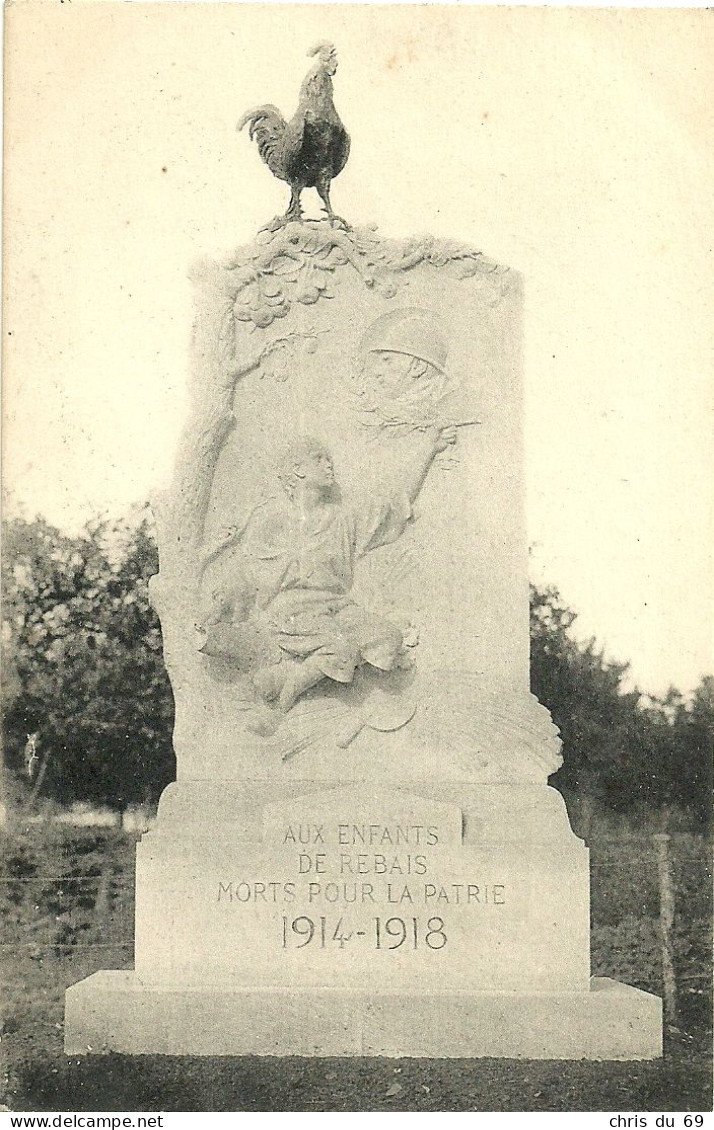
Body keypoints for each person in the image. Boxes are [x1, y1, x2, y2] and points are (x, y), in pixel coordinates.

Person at [240, 425, 456, 713]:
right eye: (318, 459)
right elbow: (252, 576)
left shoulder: (344, 519)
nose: (328, 465)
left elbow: (394, 504)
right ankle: (285, 699)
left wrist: (429, 450)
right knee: (340, 647)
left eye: (328, 459)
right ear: (298, 470)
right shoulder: (275, 523)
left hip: (338, 608)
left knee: (388, 639)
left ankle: (296, 672)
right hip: (291, 612)